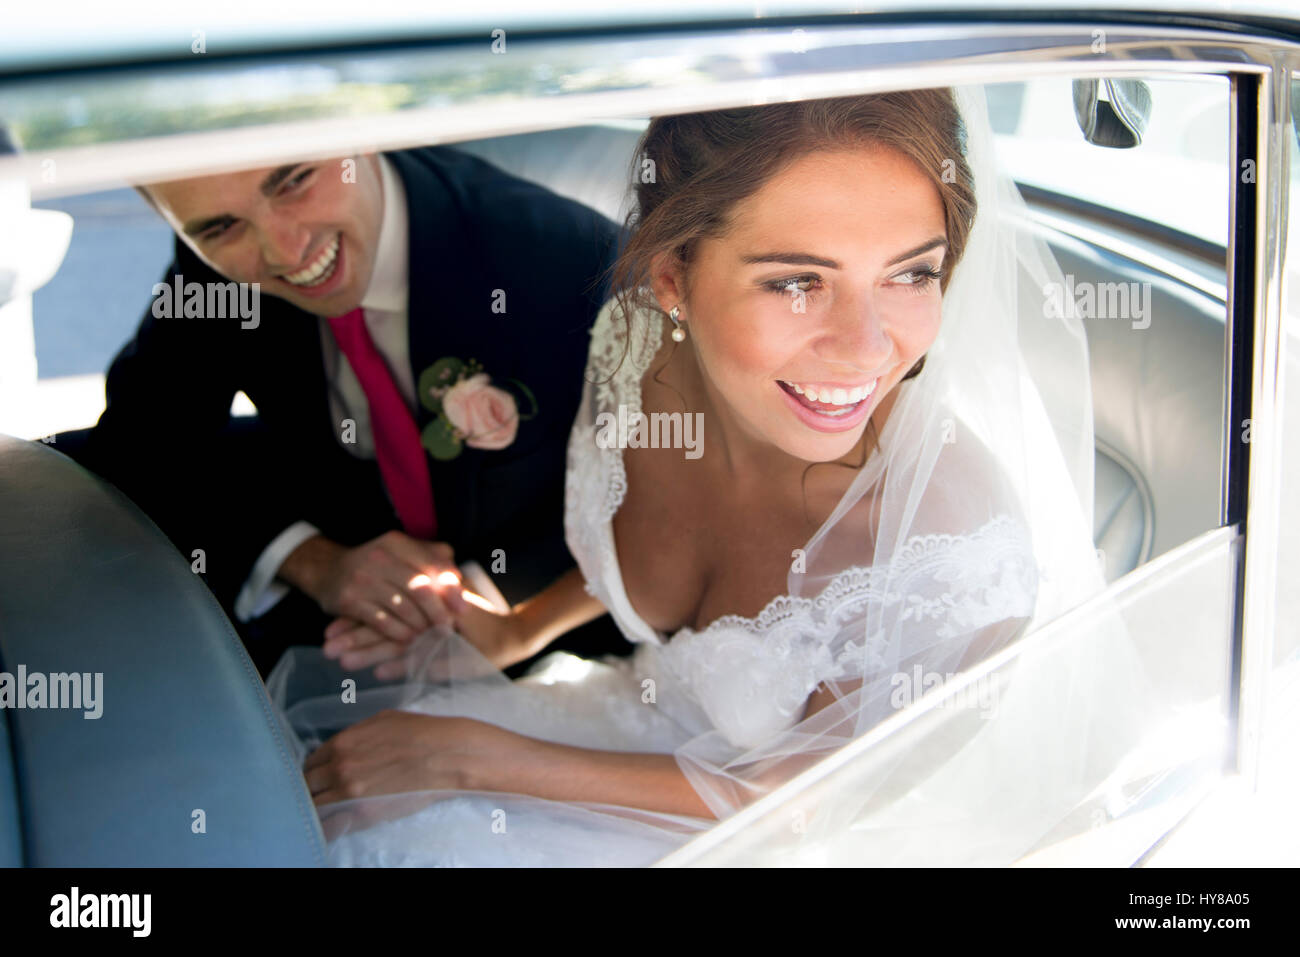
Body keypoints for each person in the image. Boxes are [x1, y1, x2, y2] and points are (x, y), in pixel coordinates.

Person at [269, 86, 1148, 866]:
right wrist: (519, 628)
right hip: (627, 726)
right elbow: (648, 542)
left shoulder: (955, 551)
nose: (870, 348)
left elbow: (808, 805)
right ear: (672, 279)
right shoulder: (637, 351)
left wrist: (470, 757)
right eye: (799, 281)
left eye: (912, 272)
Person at [64, 146, 631, 676]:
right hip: (345, 581)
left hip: (564, 617)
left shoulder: (567, 260)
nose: (286, 252)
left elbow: (673, 492)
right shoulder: (212, 261)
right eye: (220, 228)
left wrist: (479, 609)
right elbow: (140, 442)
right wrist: (315, 562)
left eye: (292, 181)